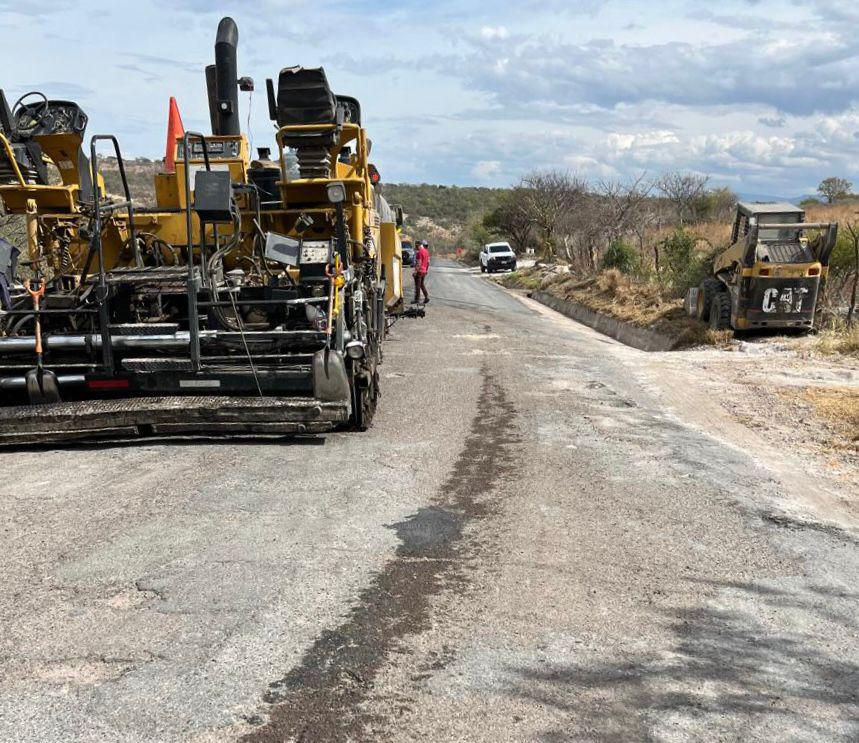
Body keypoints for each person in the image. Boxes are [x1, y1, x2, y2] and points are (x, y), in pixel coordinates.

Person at [413, 240, 430, 305]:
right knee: (421, 285)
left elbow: (419, 263)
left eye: (416, 246)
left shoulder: (419, 252)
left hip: (419, 271)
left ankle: (417, 300)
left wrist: (415, 271)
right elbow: (428, 263)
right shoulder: (426, 252)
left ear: (418, 245)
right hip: (424, 271)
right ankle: (426, 297)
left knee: (417, 286)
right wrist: (426, 270)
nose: (416, 247)